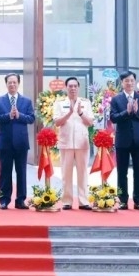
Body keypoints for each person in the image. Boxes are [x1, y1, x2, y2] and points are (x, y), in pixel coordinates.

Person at [0, 73, 35, 210]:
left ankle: (20, 200)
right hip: (5, 142)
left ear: (18, 83)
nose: (12, 85)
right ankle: (4, 200)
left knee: (21, 171)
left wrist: (19, 115)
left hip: (21, 142)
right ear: (6, 84)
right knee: (5, 171)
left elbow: (31, 118)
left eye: (14, 82)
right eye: (9, 82)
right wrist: (8, 116)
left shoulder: (26, 101)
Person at [109, 70, 139, 210]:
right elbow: (113, 118)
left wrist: (137, 111)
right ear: (122, 83)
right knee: (122, 172)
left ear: (135, 82)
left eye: (132, 80)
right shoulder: (116, 99)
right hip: (122, 140)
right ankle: (123, 200)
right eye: (126, 81)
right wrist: (126, 112)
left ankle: (138, 200)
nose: (129, 83)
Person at [53, 77, 94, 210]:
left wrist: (80, 113)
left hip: (82, 142)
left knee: (83, 173)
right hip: (66, 142)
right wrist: (69, 113)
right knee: (66, 173)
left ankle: (83, 201)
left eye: (75, 86)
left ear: (78, 87)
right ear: (66, 87)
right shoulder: (59, 103)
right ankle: (67, 201)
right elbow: (57, 122)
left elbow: (90, 122)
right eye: (70, 86)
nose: (73, 88)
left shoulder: (86, 103)